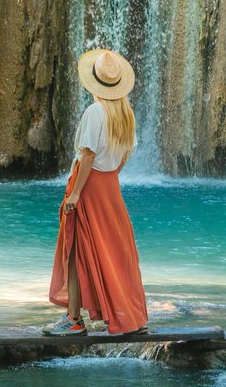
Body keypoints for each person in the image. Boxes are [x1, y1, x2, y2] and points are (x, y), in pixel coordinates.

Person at [42, 48, 148, 337]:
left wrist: (76, 193)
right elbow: (124, 155)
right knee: (116, 250)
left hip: (89, 186)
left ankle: (74, 319)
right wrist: (108, 179)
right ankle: (132, 314)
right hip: (110, 186)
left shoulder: (95, 111)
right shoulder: (125, 113)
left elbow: (87, 155)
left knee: (75, 250)